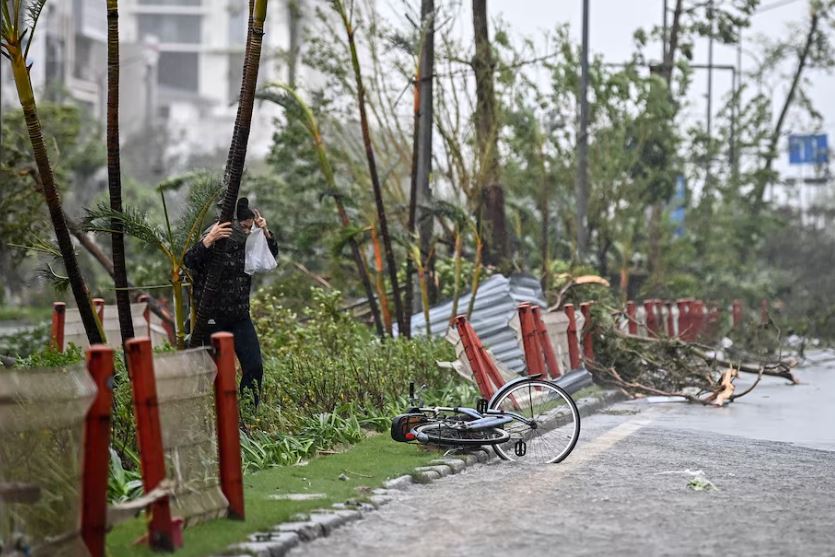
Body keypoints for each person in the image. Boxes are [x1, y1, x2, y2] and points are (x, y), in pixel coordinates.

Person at [184, 197, 277, 407]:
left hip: (239, 316)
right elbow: (189, 261)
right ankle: (212, 413)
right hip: (210, 317)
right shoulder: (215, 234)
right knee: (214, 371)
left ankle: (248, 413)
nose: (247, 230)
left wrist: (264, 232)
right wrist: (208, 241)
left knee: (254, 366)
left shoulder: (250, 241)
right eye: (244, 226)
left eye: (250, 226)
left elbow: (270, 256)